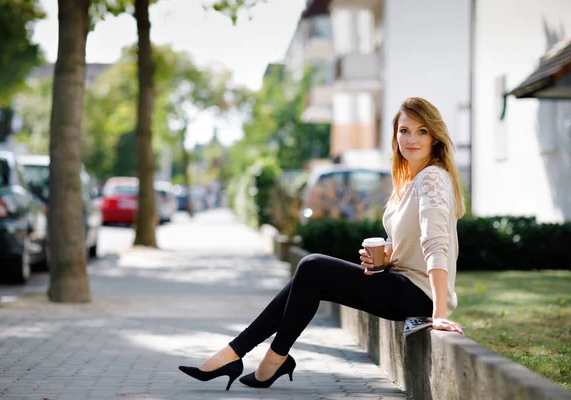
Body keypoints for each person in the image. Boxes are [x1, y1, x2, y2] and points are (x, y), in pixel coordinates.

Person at [178, 97, 466, 391]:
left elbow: (435, 245)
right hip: (401, 282)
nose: (411, 139)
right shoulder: (410, 181)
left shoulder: (432, 179)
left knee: (312, 266)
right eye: (404, 131)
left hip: (418, 294)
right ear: (395, 136)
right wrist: (383, 257)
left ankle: (257, 356)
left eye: (422, 132)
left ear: (435, 137)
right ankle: (249, 356)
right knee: (308, 277)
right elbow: (407, 241)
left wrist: (439, 314)